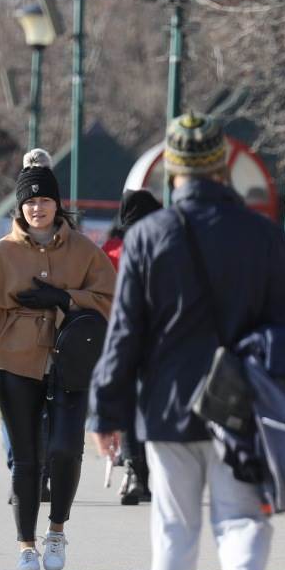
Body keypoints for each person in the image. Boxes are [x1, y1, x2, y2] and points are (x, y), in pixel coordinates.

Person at [89, 113, 285, 570]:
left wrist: (106, 412)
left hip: (167, 408)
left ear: (173, 170)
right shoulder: (263, 236)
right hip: (240, 405)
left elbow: (124, 334)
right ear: (221, 166)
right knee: (241, 518)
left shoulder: (147, 236)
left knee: (174, 532)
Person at [0, 152, 115, 570]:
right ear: (20, 207)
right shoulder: (3, 252)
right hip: (16, 362)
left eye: (44, 200)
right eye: (29, 201)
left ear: (56, 204)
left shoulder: (85, 250)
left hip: (72, 362)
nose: (37, 208)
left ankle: (57, 530)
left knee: (66, 449)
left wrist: (66, 298)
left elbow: (110, 299)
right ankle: (26, 545)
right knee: (26, 457)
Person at [104, 187, 162, 506]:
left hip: (122, 337)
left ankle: (135, 471)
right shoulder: (167, 243)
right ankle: (149, 473)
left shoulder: (112, 249)